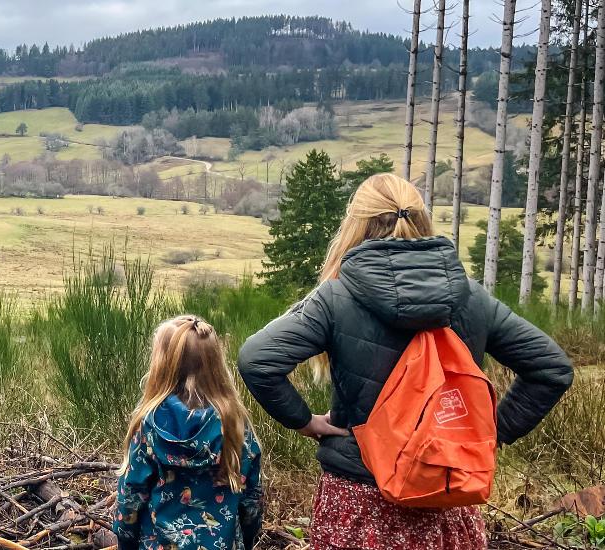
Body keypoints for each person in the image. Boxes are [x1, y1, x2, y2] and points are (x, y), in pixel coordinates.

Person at [238, 173, 574, 550]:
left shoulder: (336, 297)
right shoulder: (471, 297)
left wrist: (304, 422)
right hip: (447, 494)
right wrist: (488, 435)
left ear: (357, 225)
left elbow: (257, 359)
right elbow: (551, 368)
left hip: (360, 498)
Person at [114, 315, 264, 550]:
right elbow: (251, 502)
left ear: (161, 366)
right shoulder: (236, 424)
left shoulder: (148, 426)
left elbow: (131, 499)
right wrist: (247, 536)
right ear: (215, 364)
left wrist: (125, 541)